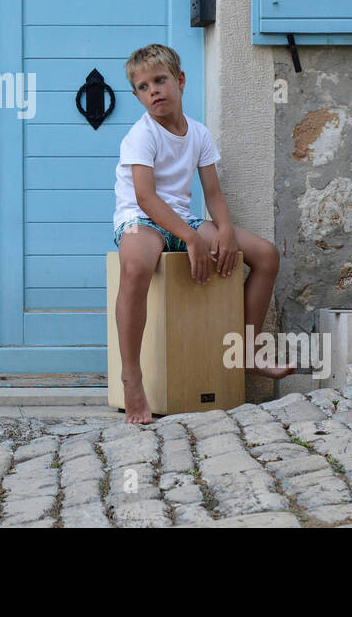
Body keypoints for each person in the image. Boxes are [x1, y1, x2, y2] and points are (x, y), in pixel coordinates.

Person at [111, 43, 292, 425]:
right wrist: (192, 239)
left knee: (265, 255)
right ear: (137, 96)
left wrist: (223, 230)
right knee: (136, 266)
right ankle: (132, 378)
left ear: (180, 80)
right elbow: (144, 197)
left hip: (183, 218)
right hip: (141, 218)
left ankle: (247, 352)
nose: (153, 91)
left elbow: (213, 194)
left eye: (160, 80)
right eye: (143, 87)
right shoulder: (140, 136)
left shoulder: (198, 133)